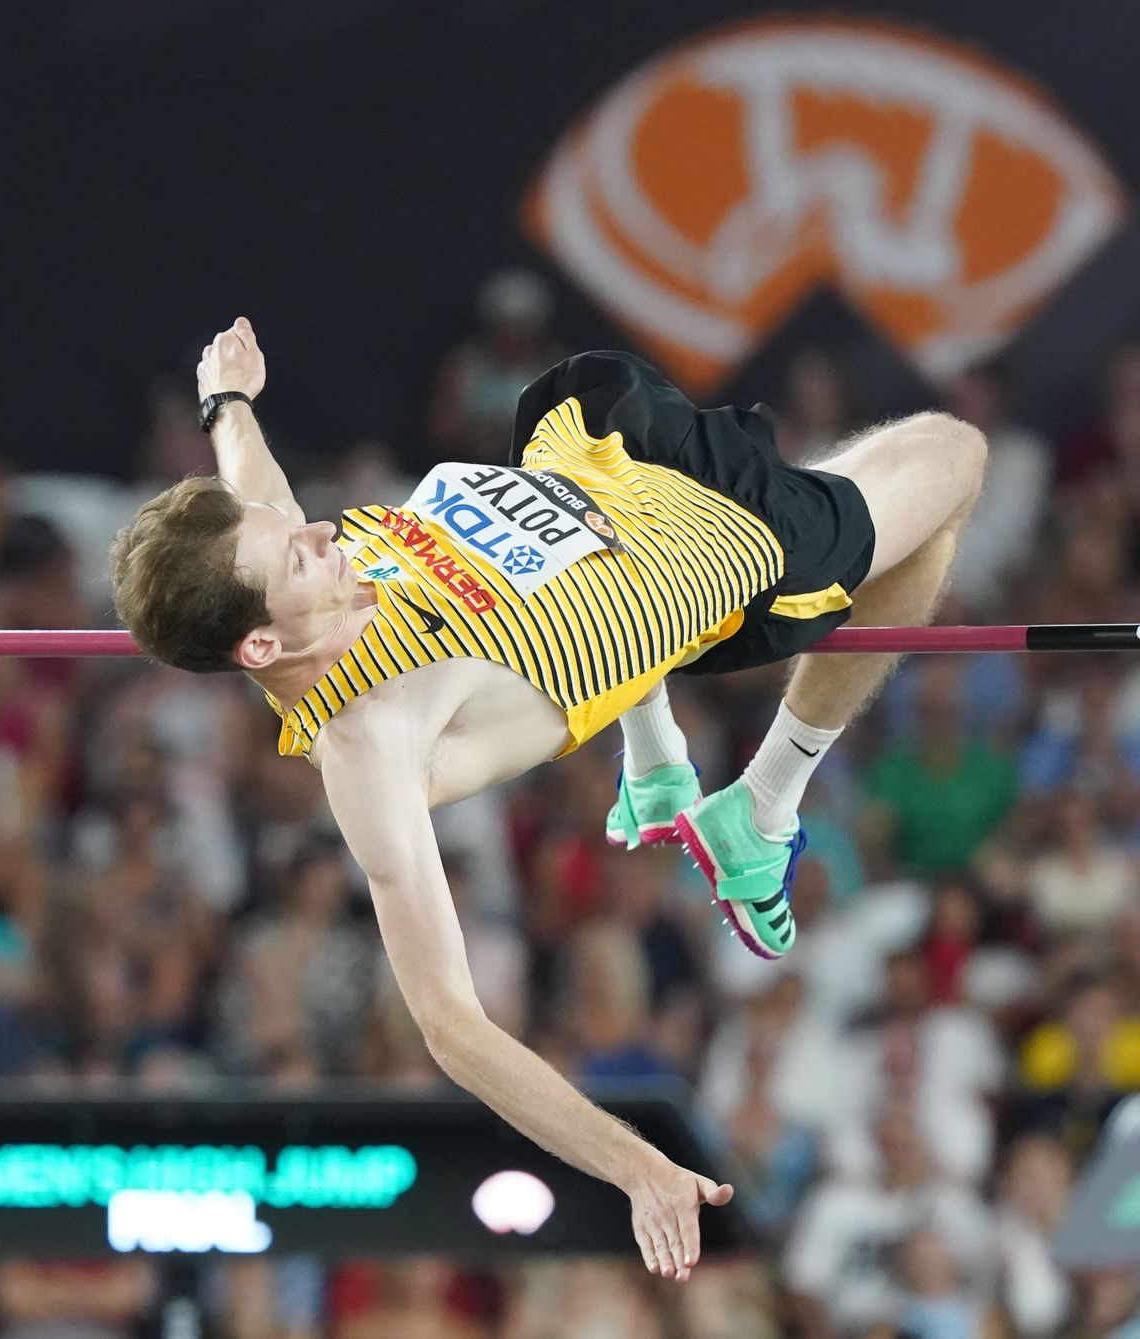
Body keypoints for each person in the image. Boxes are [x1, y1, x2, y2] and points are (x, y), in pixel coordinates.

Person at [110, 318, 986, 1282]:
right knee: (953, 456)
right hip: (730, 550)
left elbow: (255, 486)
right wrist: (635, 1166)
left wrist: (226, 400)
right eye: (298, 558)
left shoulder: (284, 585)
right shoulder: (374, 743)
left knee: (585, 382)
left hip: (590, 452)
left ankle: (653, 748)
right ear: (264, 650)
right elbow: (452, 1027)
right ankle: (765, 801)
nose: (322, 529)